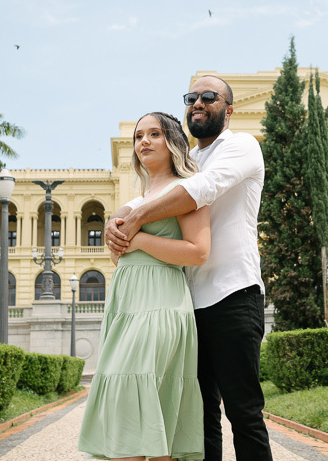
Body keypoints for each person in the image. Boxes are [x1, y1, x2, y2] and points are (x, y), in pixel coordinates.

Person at [107, 76, 272, 461]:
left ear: (228, 110)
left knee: (243, 411)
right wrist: (123, 222)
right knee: (199, 418)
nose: (198, 102)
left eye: (209, 97)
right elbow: (161, 194)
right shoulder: (188, 163)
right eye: (191, 97)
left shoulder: (241, 146)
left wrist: (135, 223)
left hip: (232, 294)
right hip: (185, 304)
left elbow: (203, 190)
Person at [79, 112, 210, 461]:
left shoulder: (185, 189)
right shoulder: (136, 199)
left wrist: (138, 242)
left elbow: (197, 252)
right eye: (139, 136)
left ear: (173, 143)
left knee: (143, 398)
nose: (144, 141)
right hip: (126, 307)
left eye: (155, 134)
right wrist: (119, 239)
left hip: (161, 303)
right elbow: (116, 257)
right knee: (132, 405)